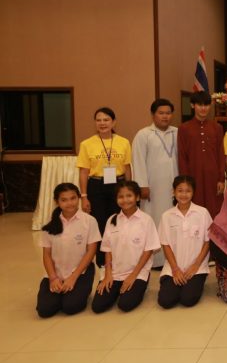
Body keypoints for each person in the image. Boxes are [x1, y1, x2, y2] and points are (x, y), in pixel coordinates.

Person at [77, 107, 132, 270]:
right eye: (99, 120)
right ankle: (102, 261)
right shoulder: (86, 144)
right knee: (100, 223)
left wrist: (130, 191)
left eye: (106, 120)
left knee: (119, 222)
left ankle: (119, 257)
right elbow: (83, 172)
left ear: (113, 122)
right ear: (95, 123)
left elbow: (127, 168)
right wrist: (84, 196)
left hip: (118, 185)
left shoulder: (124, 142)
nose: (102, 123)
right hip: (96, 186)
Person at [92, 181, 160, 313]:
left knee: (125, 304)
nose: (125, 200)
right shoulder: (112, 220)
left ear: (137, 197)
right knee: (98, 306)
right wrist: (108, 275)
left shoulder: (146, 220)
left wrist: (133, 276)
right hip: (115, 273)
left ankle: (139, 286)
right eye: (121, 197)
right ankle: (117, 288)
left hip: (137, 273)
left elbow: (148, 251)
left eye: (129, 196)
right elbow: (107, 250)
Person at [36, 183, 100, 318]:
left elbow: (91, 252)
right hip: (56, 273)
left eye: (73, 198)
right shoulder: (49, 222)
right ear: (57, 202)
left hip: (80, 272)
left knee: (71, 307)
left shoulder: (89, 221)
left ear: (79, 198)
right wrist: (53, 278)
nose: (69, 203)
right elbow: (46, 254)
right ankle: (60, 294)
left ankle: (73, 292)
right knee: (45, 310)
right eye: (64, 200)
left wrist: (73, 277)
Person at [131, 98, 178, 268]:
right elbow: (138, 161)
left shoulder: (177, 132)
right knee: (155, 220)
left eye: (168, 113)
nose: (165, 116)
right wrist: (142, 185)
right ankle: (156, 260)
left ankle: (173, 257)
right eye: (161, 113)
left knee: (173, 221)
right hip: (153, 188)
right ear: (153, 115)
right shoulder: (144, 134)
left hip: (175, 187)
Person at [157, 176, 212, 309]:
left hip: (196, 268)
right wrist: (175, 270)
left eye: (188, 191)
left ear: (193, 193)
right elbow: (165, 245)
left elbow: (208, 242)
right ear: (173, 192)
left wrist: (195, 266)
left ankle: (195, 282)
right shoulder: (166, 216)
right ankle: (174, 283)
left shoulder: (202, 213)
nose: (184, 194)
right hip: (173, 268)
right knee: (166, 301)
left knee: (188, 299)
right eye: (180, 190)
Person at [177, 91, 225, 217]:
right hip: (193, 176)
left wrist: (221, 179)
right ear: (192, 105)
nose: (203, 108)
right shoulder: (184, 128)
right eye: (200, 105)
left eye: (206, 105)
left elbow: (221, 154)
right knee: (194, 209)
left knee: (214, 208)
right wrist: (185, 180)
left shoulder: (217, 127)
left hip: (213, 177)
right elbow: (182, 156)